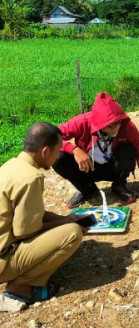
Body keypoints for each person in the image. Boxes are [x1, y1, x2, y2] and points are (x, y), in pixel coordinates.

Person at [0, 122, 85, 305]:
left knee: (68, 226)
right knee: (72, 233)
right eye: (58, 150)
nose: (59, 156)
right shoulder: (32, 178)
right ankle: (21, 288)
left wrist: (64, 218)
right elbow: (26, 232)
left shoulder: (11, 165)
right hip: (3, 259)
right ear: (45, 151)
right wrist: (68, 224)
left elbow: (32, 212)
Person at [53, 92, 139, 214]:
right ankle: (86, 189)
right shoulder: (82, 122)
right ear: (99, 124)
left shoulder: (128, 128)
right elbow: (52, 137)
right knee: (58, 158)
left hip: (113, 168)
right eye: (111, 125)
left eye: (118, 122)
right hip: (86, 168)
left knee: (128, 150)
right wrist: (74, 150)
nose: (116, 127)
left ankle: (119, 185)